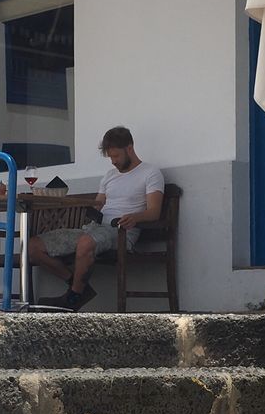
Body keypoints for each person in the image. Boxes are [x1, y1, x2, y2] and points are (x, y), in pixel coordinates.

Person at [29, 126, 165, 310]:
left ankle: (72, 300)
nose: (113, 161)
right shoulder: (109, 176)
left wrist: (134, 217)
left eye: (116, 156)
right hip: (93, 228)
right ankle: (77, 288)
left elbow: (154, 211)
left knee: (86, 243)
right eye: (110, 157)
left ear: (130, 148)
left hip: (122, 231)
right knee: (32, 246)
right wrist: (80, 206)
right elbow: (98, 204)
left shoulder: (150, 173)